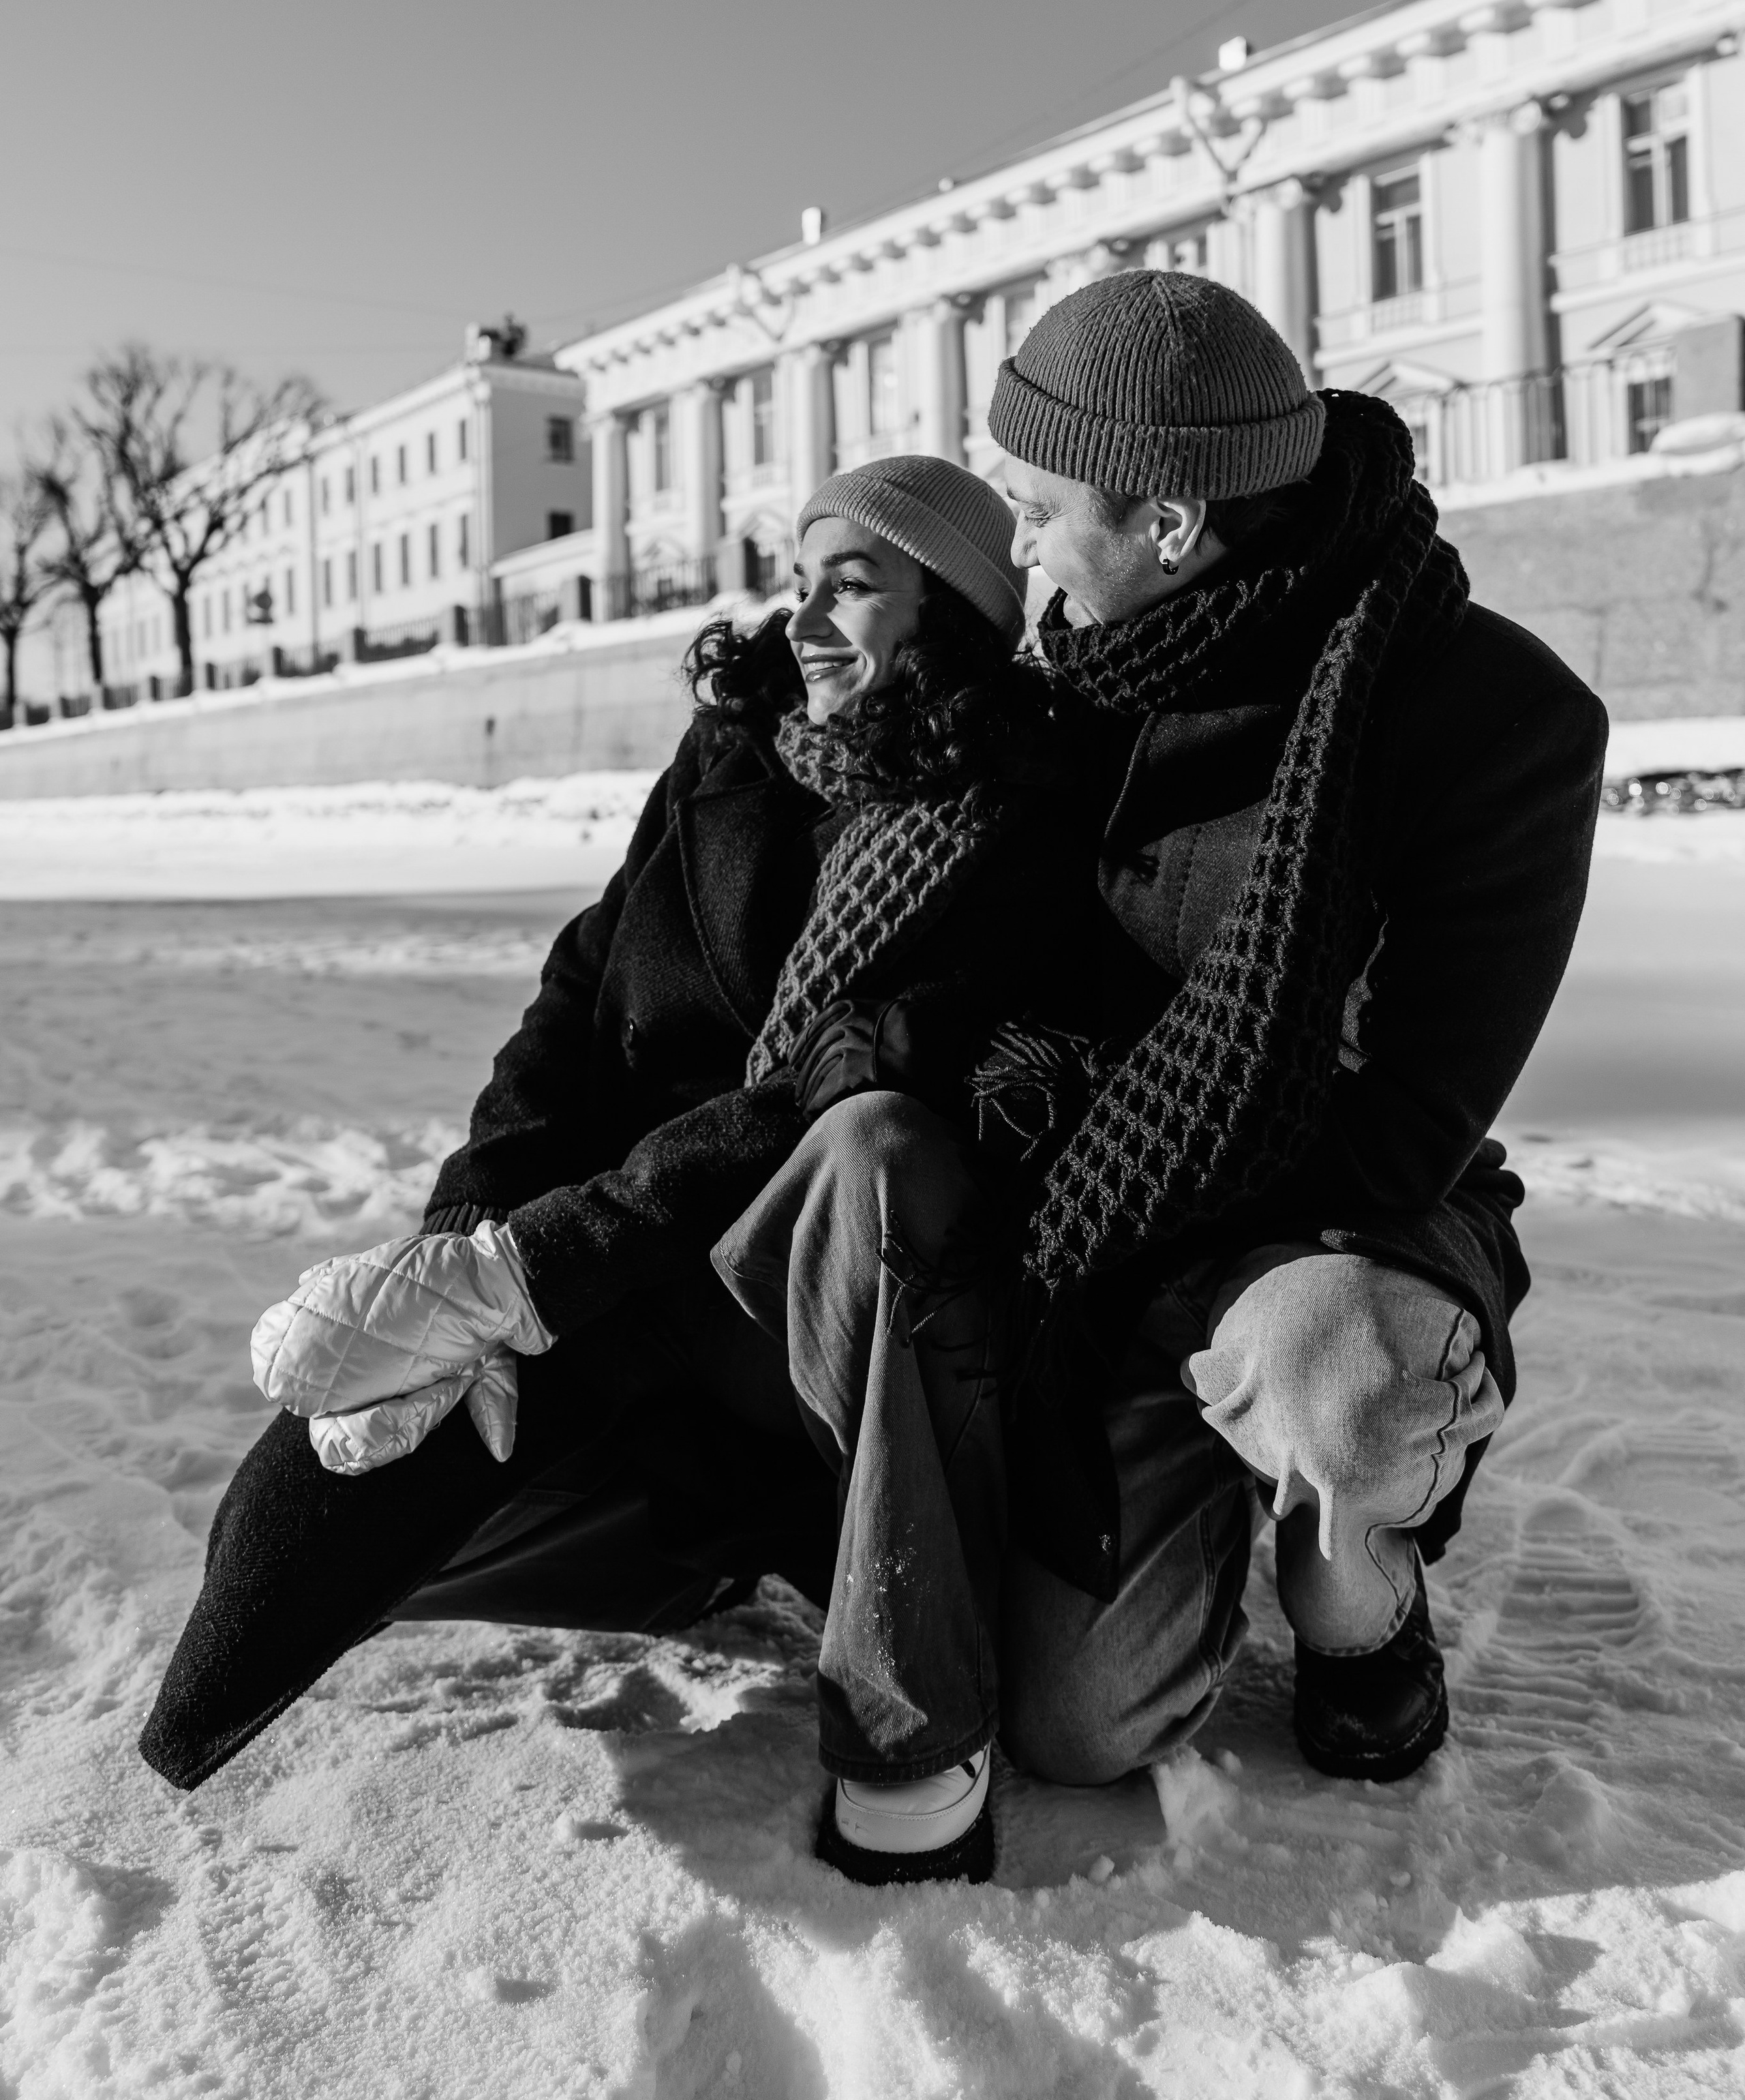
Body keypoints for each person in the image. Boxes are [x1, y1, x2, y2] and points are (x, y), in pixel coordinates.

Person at [710, 268, 1607, 1866]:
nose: (1027, 544)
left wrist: (1080, 1199)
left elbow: (1393, 1126)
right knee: (1078, 1729)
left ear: (1175, 520)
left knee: (1339, 1371)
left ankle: (1355, 1593)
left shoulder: (1489, 718)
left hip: (1324, 1228)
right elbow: (960, 973)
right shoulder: (1077, 689)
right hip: (1101, 1212)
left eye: (1043, 506)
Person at [139, 453, 1095, 1889]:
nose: (810, 620)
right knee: (329, 1494)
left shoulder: (1017, 818)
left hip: (804, 1283)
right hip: (611, 1271)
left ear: (956, 604)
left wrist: (537, 1268)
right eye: (797, 580)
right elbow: (574, 1005)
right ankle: (680, 1544)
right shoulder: (730, 758)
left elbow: (835, 1087)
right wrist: (466, 1235)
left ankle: (896, 1707)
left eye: (855, 583)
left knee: (862, 1157)